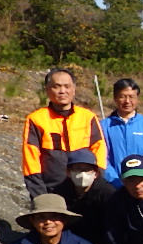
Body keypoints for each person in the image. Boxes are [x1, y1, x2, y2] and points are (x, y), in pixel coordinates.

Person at [22, 68, 107, 198]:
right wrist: (39, 195)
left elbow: (99, 152)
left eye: (67, 86)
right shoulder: (36, 119)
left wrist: (95, 184)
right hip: (51, 190)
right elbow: (30, 160)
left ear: (74, 89)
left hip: (84, 190)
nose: (62, 91)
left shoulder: (87, 117)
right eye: (57, 87)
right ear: (47, 89)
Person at [101, 78, 143, 188]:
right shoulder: (104, 126)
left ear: (137, 98)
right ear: (115, 98)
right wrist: (115, 181)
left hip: (141, 186)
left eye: (131, 97)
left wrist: (142, 181)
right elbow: (103, 158)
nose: (127, 101)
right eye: (122, 96)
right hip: (113, 185)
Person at [55, 148, 116, 244]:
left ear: (96, 173)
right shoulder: (60, 193)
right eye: (78, 169)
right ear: (68, 172)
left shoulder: (108, 193)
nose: (83, 174)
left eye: (87, 170)